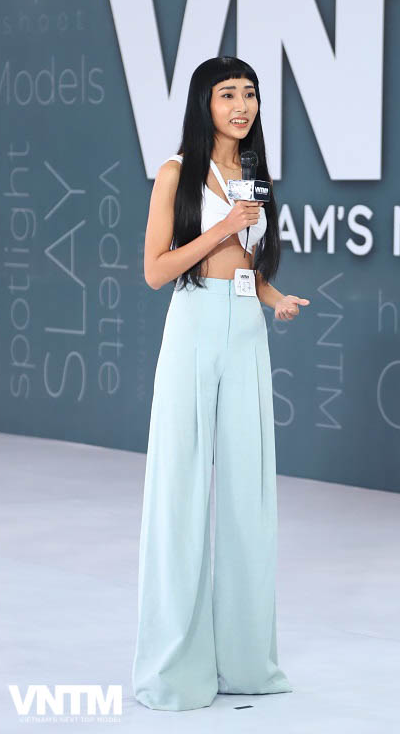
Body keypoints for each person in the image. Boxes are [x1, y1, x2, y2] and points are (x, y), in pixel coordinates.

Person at [132, 56, 310, 712]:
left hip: (245, 330)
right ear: (204, 103)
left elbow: (248, 266)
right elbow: (156, 271)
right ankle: (173, 670)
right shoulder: (177, 172)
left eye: (250, 94)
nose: (242, 105)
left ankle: (244, 663)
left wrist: (275, 298)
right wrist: (222, 227)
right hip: (193, 324)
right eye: (227, 93)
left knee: (247, 492)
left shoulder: (256, 174)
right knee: (180, 489)